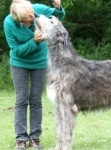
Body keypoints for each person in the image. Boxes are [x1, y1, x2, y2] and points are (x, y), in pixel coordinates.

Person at [3, 0, 65, 149]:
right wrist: (34, 41)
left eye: (32, 12)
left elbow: (58, 16)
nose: (33, 15)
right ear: (20, 19)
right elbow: (16, 50)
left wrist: (58, 7)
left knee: (36, 100)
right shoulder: (9, 23)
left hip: (40, 63)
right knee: (21, 99)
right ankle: (21, 139)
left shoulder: (36, 9)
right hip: (19, 63)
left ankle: (35, 138)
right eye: (29, 16)